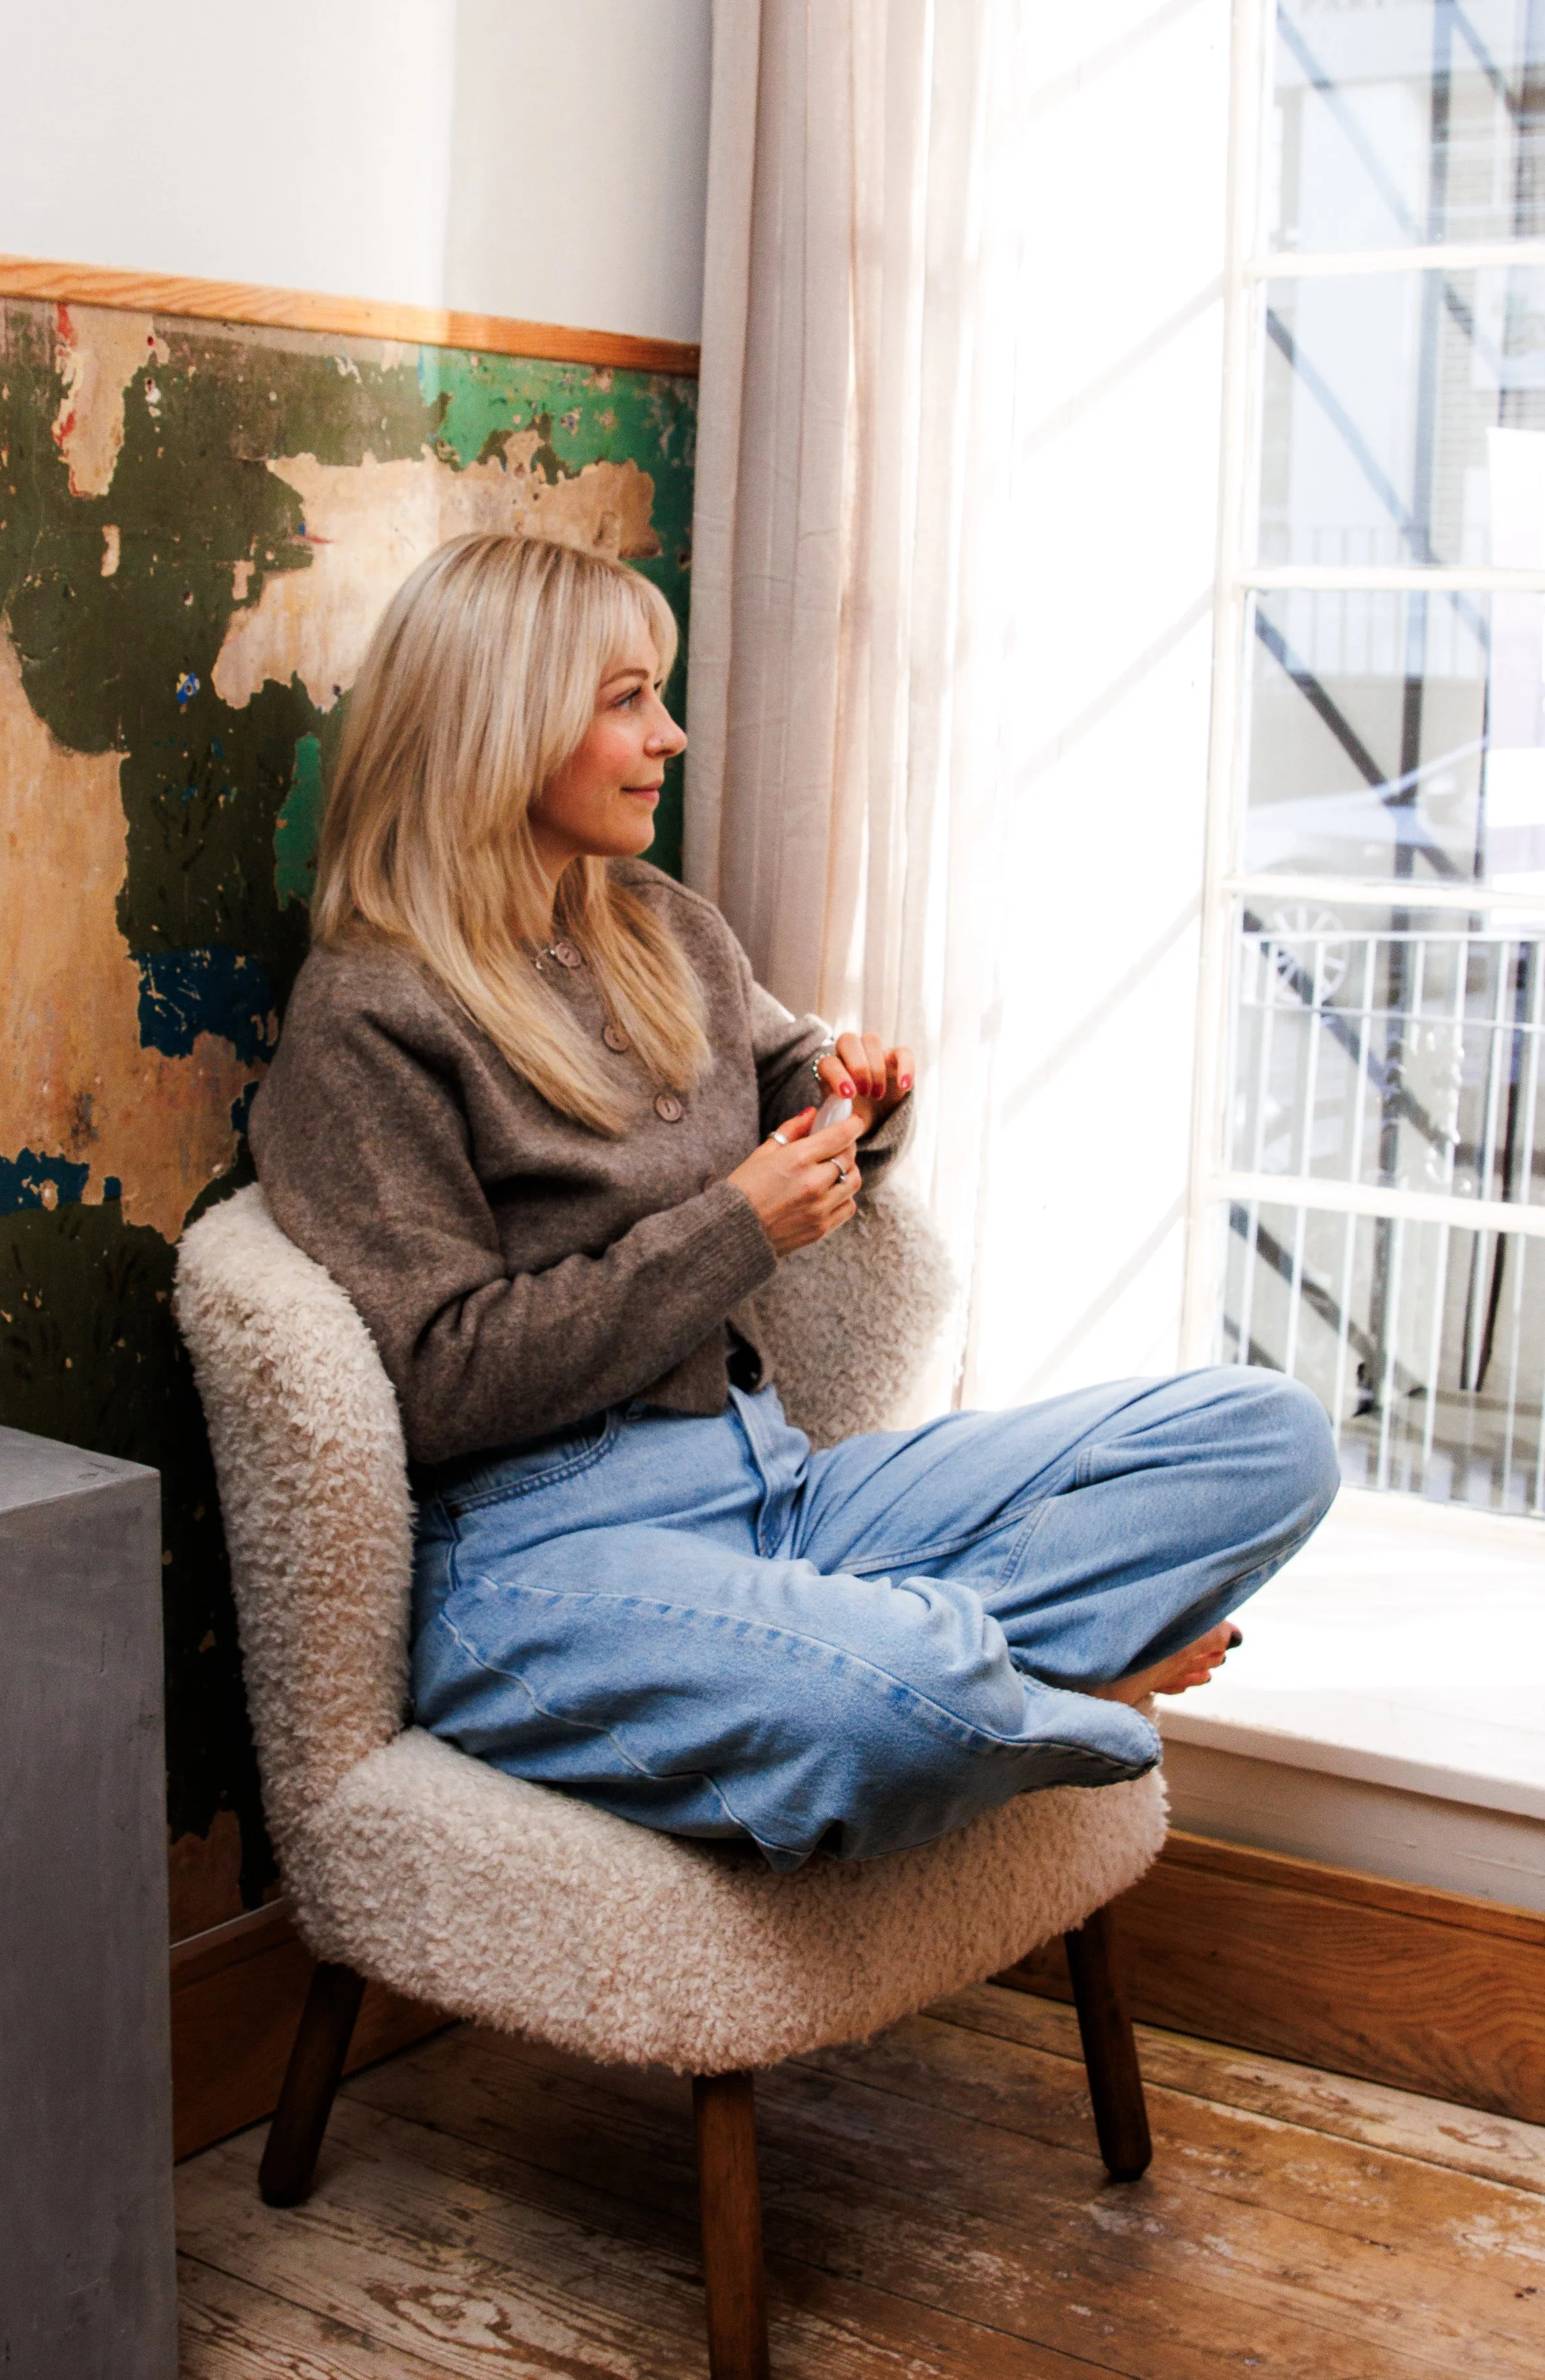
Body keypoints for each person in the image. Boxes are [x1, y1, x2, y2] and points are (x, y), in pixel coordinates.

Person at [250, 531, 1339, 1872]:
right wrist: (737, 1228)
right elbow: (436, 1381)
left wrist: (853, 1101)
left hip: (775, 1490)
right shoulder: (370, 1014)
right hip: (544, 1553)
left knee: (1266, 1438)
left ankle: (939, 1667)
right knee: (887, 1697)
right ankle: (1048, 1685)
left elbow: (788, 1083)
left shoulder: (660, 926)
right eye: (629, 700)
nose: (672, 736)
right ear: (503, 726)